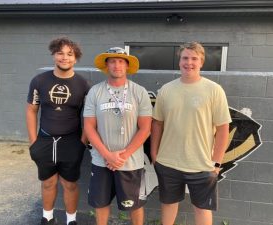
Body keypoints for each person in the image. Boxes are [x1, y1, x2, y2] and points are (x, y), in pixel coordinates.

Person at [151, 42, 231, 225]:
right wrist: (154, 154)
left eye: (194, 58)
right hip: (168, 162)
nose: (189, 62)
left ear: (201, 62)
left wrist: (217, 162)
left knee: (202, 209)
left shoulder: (214, 90)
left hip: (202, 164)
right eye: (185, 58)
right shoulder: (166, 90)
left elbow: (223, 129)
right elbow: (157, 124)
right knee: (168, 204)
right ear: (179, 61)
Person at [83, 47, 152, 225]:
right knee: (100, 203)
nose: (117, 65)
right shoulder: (95, 92)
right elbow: (89, 127)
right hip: (101, 160)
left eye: (121, 61)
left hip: (130, 162)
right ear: (106, 65)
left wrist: (123, 155)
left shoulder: (139, 92)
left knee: (135, 205)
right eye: (112, 61)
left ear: (127, 66)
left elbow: (145, 128)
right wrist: (108, 155)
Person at [26, 37, 90, 225]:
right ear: (53, 54)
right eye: (60, 53)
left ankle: (71, 220)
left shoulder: (83, 85)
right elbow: (31, 110)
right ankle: (47, 218)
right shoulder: (39, 81)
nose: (65, 58)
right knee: (48, 182)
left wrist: (82, 142)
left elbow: (89, 116)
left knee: (69, 184)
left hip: (71, 141)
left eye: (70, 54)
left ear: (76, 58)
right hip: (44, 140)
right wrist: (33, 141)